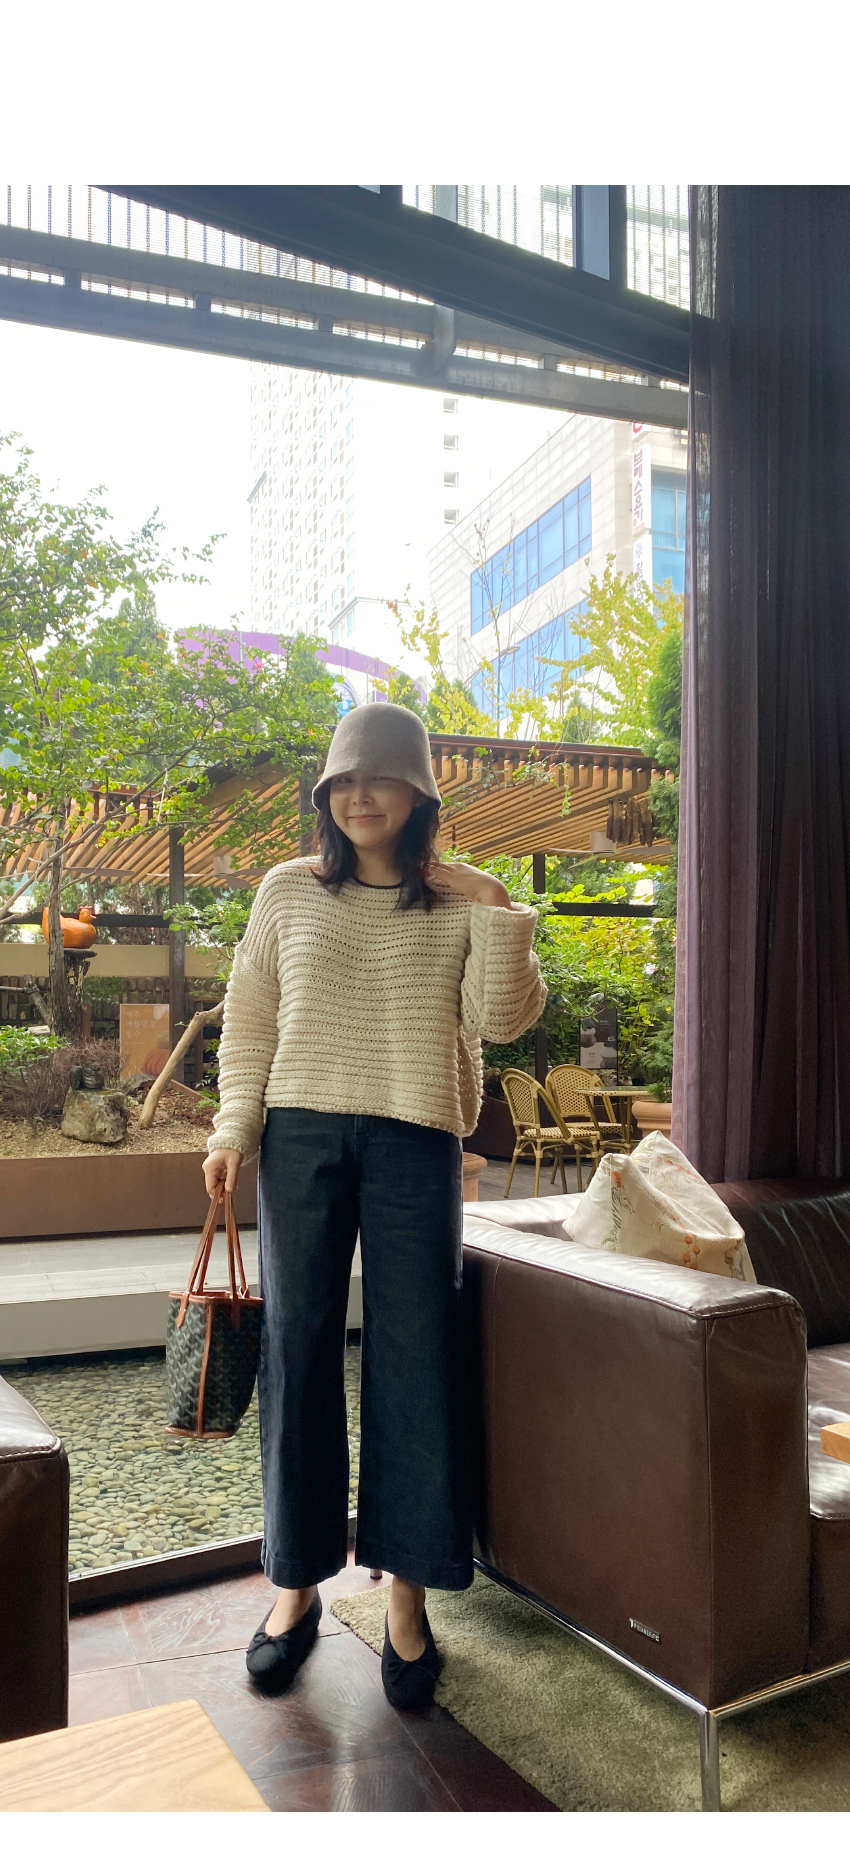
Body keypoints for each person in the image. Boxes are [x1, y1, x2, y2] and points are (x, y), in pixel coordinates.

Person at [202, 702, 546, 1708]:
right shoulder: (288, 890)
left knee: (417, 1358)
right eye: (342, 781)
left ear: (417, 791)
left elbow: (504, 1019)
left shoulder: (459, 901)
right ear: (325, 795)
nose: (359, 797)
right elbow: (251, 1020)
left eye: (380, 778)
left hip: (415, 1138)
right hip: (300, 1136)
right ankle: (295, 1587)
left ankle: (406, 1597)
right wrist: (231, 1131)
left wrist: (493, 901)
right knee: (297, 1349)